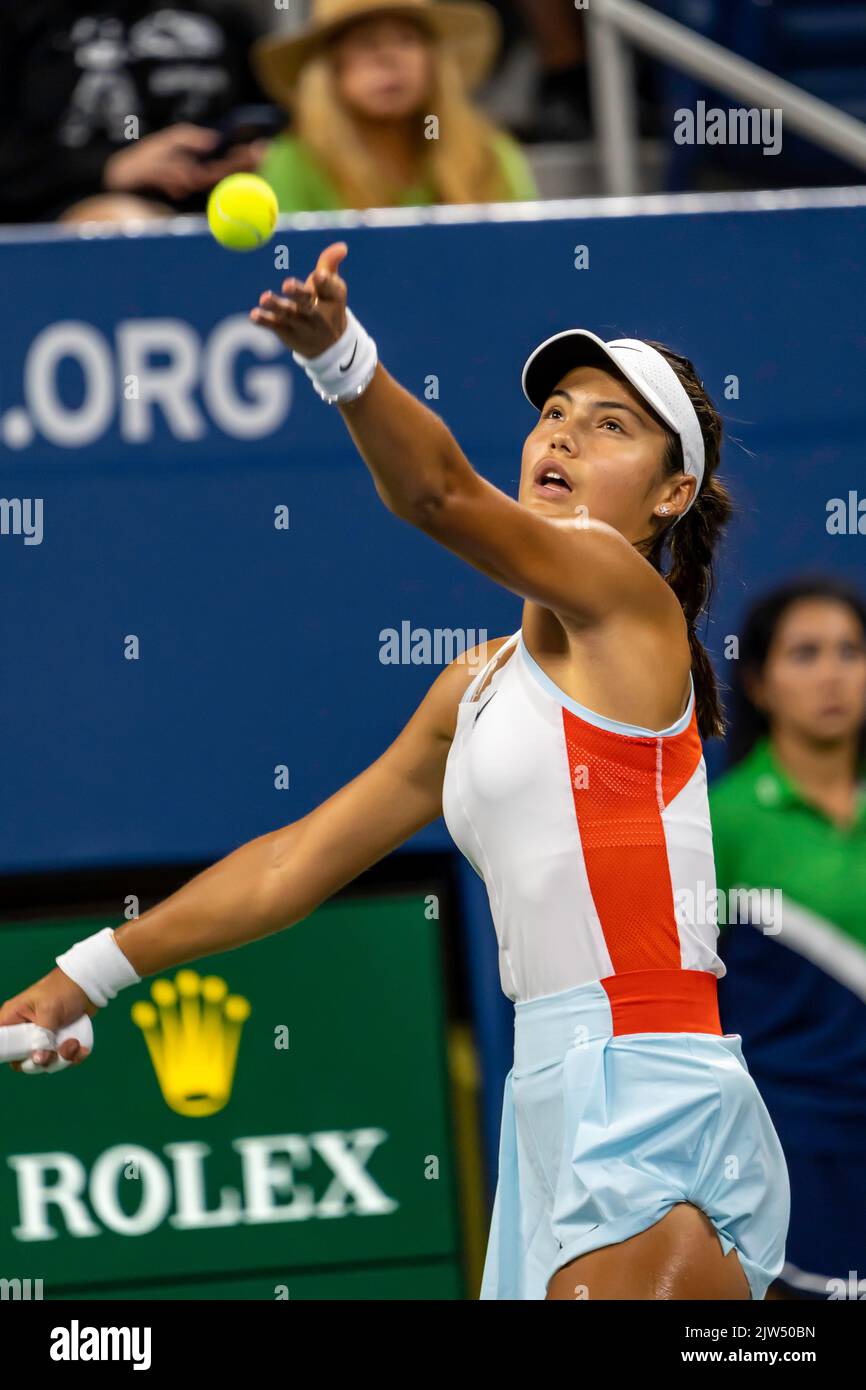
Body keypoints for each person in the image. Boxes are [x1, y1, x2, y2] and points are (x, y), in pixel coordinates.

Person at [1, 240, 789, 1301]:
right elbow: (293, 863)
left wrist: (342, 356)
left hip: (646, 1086)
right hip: (545, 1099)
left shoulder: (623, 595)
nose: (562, 431)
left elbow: (436, 496)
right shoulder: (469, 690)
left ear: (669, 493)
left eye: (611, 425)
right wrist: (83, 974)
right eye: (554, 408)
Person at [710, 578, 866, 1301]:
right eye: (805, 654)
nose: (831, 674)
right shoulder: (720, 822)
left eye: (849, 651)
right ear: (759, 682)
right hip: (788, 1144)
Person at [251, 0, 539, 212]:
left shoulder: (488, 153)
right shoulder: (293, 163)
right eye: (366, 43)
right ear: (331, 69)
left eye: (407, 39)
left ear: (434, 62)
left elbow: (527, 256)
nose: (389, 58)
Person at [0, 0, 271, 226]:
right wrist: (110, 166)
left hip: (220, 211)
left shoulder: (222, 19)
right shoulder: (27, 18)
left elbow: (262, 119)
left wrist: (243, 154)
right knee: (122, 227)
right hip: (70, 216)